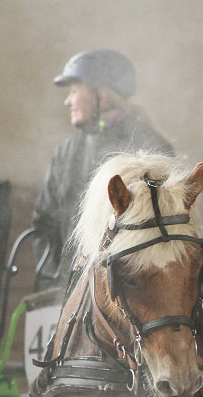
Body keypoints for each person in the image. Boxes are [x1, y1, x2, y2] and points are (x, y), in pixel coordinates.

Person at [32, 49, 173, 290]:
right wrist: (54, 284)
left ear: (103, 95)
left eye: (75, 91)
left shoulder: (150, 146)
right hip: (70, 289)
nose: (68, 101)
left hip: (132, 293)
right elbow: (45, 223)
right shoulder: (66, 152)